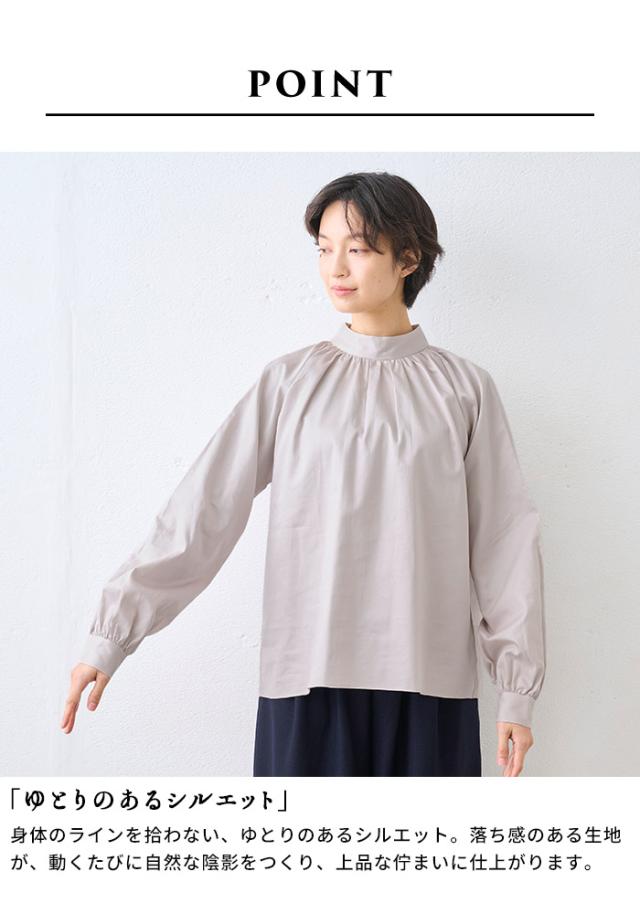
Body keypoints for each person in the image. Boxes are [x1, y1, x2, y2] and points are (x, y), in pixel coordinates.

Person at [61, 171, 547, 777]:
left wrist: (517, 691)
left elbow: (504, 541)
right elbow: (204, 511)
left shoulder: (464, 389)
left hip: (429, 681)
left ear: (408, 259)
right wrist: (111, 636)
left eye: (357, 248)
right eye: (323, 248)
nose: (335, 267)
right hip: (306, 677)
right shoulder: (290, 382)